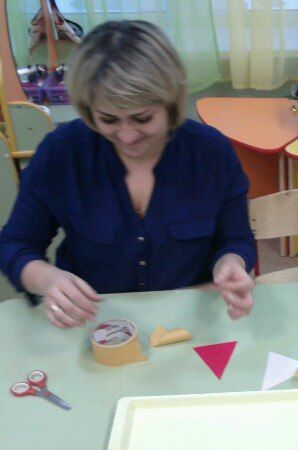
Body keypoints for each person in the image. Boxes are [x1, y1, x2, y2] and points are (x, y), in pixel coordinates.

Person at [0, 20, 255, 327]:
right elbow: (15, 245)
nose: (128, 136)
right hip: (93, 323)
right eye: (108, 120)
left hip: (188, 320)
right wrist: (47, 279)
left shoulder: (210, 152)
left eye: (143, 118)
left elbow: (236, 239)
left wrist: (230, 265)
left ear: (171, 104)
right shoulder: (62, 152)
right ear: (88, 109)